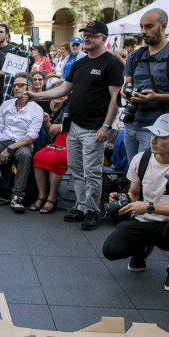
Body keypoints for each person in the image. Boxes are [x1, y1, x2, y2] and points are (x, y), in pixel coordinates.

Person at [27, 20, 123, 229]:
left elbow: (115, 98)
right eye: (85, 34)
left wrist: (106, 127)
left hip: (94, 127)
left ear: (103, 39)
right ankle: (81, 207)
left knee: (92, 172)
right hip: (74, 126)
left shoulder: (111, 63)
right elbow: (63, 89)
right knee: (77, 170)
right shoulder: (80, 63)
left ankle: (92, 211)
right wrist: (37, 95)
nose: (87, 38)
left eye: (92, 35)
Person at [102, 114, 169, 292]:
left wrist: (149, 207)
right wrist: (123, 199)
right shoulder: (141, 158)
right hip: (144, 220)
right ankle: (140, 251)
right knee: (111, 250)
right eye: (152, 134)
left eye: (161, 137)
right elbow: (133, 192)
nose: (153, 140)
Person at [122, 8, 169, 162]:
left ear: (163, 26)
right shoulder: (135, 56)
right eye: (141, 26)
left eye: (149, 26)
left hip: (160, 129)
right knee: (134, 174)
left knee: (152, 177)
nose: (143, 31)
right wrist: (126, 91)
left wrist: (156, 97)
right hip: (131, 124)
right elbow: (128, 82)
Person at [0, 73, 42, 212]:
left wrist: (10, 149)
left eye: (21, 85)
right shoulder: (6, 105)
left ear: (29, 87)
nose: (17, 88)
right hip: (3, 140)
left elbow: (31, 137)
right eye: (15, 85)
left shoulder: (36, 109)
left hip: (21, 143)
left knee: (25, 155)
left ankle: (17, 196)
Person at [31, 85, 69, 213]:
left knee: (55, 159)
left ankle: (52, 197)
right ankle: (41, 195)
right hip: (58, 139)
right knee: (38, 156)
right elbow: (52, 130)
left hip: (71, 141)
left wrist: (56, 126)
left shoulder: (68, 108)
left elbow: (57, 128)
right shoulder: (61, 108)